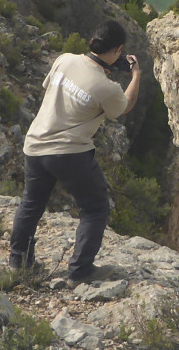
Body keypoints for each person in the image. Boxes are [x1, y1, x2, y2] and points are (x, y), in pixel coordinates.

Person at [9, 19, 141, 282]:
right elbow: (124, 106)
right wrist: (136, 75)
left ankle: (18, 262)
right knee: (94, 207)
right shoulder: (108, 87)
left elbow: (51, 89)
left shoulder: (65, 59)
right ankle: (80, 270)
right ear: (119, 50)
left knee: (31, 204)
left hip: (35, 144)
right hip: (70, 152)